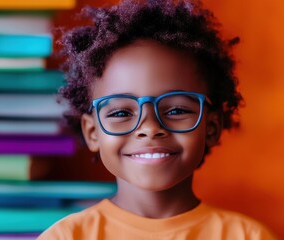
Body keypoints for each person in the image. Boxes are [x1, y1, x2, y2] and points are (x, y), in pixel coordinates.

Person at [38, 0, 276, 239]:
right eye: (121, 113)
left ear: (211, 127)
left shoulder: (248, 236)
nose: (150, 128)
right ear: (93, 132)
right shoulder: (66, 237)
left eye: (175, 110)